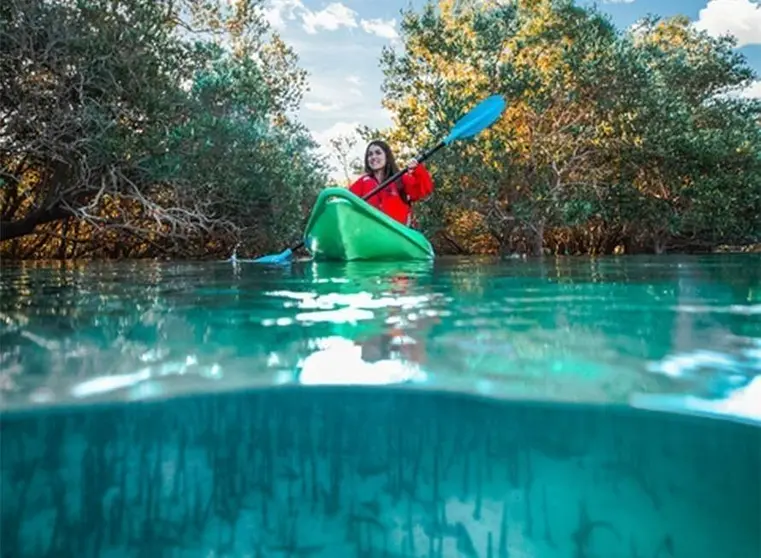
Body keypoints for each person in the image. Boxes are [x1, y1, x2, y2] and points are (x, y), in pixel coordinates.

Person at [348, 140, 434, 227]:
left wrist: (417, 169)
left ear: (387, 157)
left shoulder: (400, 179)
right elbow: (346, 201)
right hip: (371, 231)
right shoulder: (363, 182)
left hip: (397, 232)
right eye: (370, 154)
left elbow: (424, 189)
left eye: (378, 153)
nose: (373, 157)